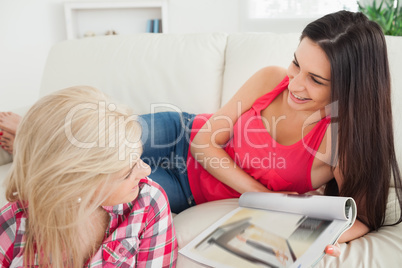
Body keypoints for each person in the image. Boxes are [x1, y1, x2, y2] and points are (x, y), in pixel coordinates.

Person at [2, 10, 402, 258]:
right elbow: (203, 142)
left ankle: (37, 142)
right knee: (98, 139)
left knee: (96, 192)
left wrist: (328, 241)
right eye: (295, 64)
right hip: (177, 132)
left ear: (352, 88)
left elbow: (361, 215)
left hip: (187, 187)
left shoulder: (343, 142)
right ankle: (35, 133)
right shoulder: (270, 80)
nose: (294, 84)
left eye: (315, 80)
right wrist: (267, 197)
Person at [0, 87, 177, 267]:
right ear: (79, 186)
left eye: (138, 157)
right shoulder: (17, 222)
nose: (146, 170)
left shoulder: (148, 202)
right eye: (127, 173)